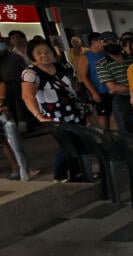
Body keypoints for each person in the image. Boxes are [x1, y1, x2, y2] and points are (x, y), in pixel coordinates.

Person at [21, 38, 86, 182]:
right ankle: (59, 176)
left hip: (75, 112)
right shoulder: (31, 73)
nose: (44, 55)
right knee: (66, 145)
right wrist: (38, 115)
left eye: (47, 51)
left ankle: (77, 173)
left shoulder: (62, 66)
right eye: (39, 53)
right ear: (32, 56)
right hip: (54, 117)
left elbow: (74, 83)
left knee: (78, 143)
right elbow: (27, 96)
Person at [96, 42, 133, 133]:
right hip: (123, 98)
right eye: (107, 41)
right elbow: (113, 87)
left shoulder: (131, 58)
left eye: (112, 40)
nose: (110, 43)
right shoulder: (102, 63)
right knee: (128, 127)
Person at [77, 32, 112, 129]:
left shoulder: (106, 54)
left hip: (113, 89)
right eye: (103, 41)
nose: (105, 44)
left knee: (113, 114)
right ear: (94, 42)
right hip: (100, 90)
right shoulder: (85, 56)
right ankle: (104, 136)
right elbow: (83, 77)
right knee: (103, 116)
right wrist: (94, 93)